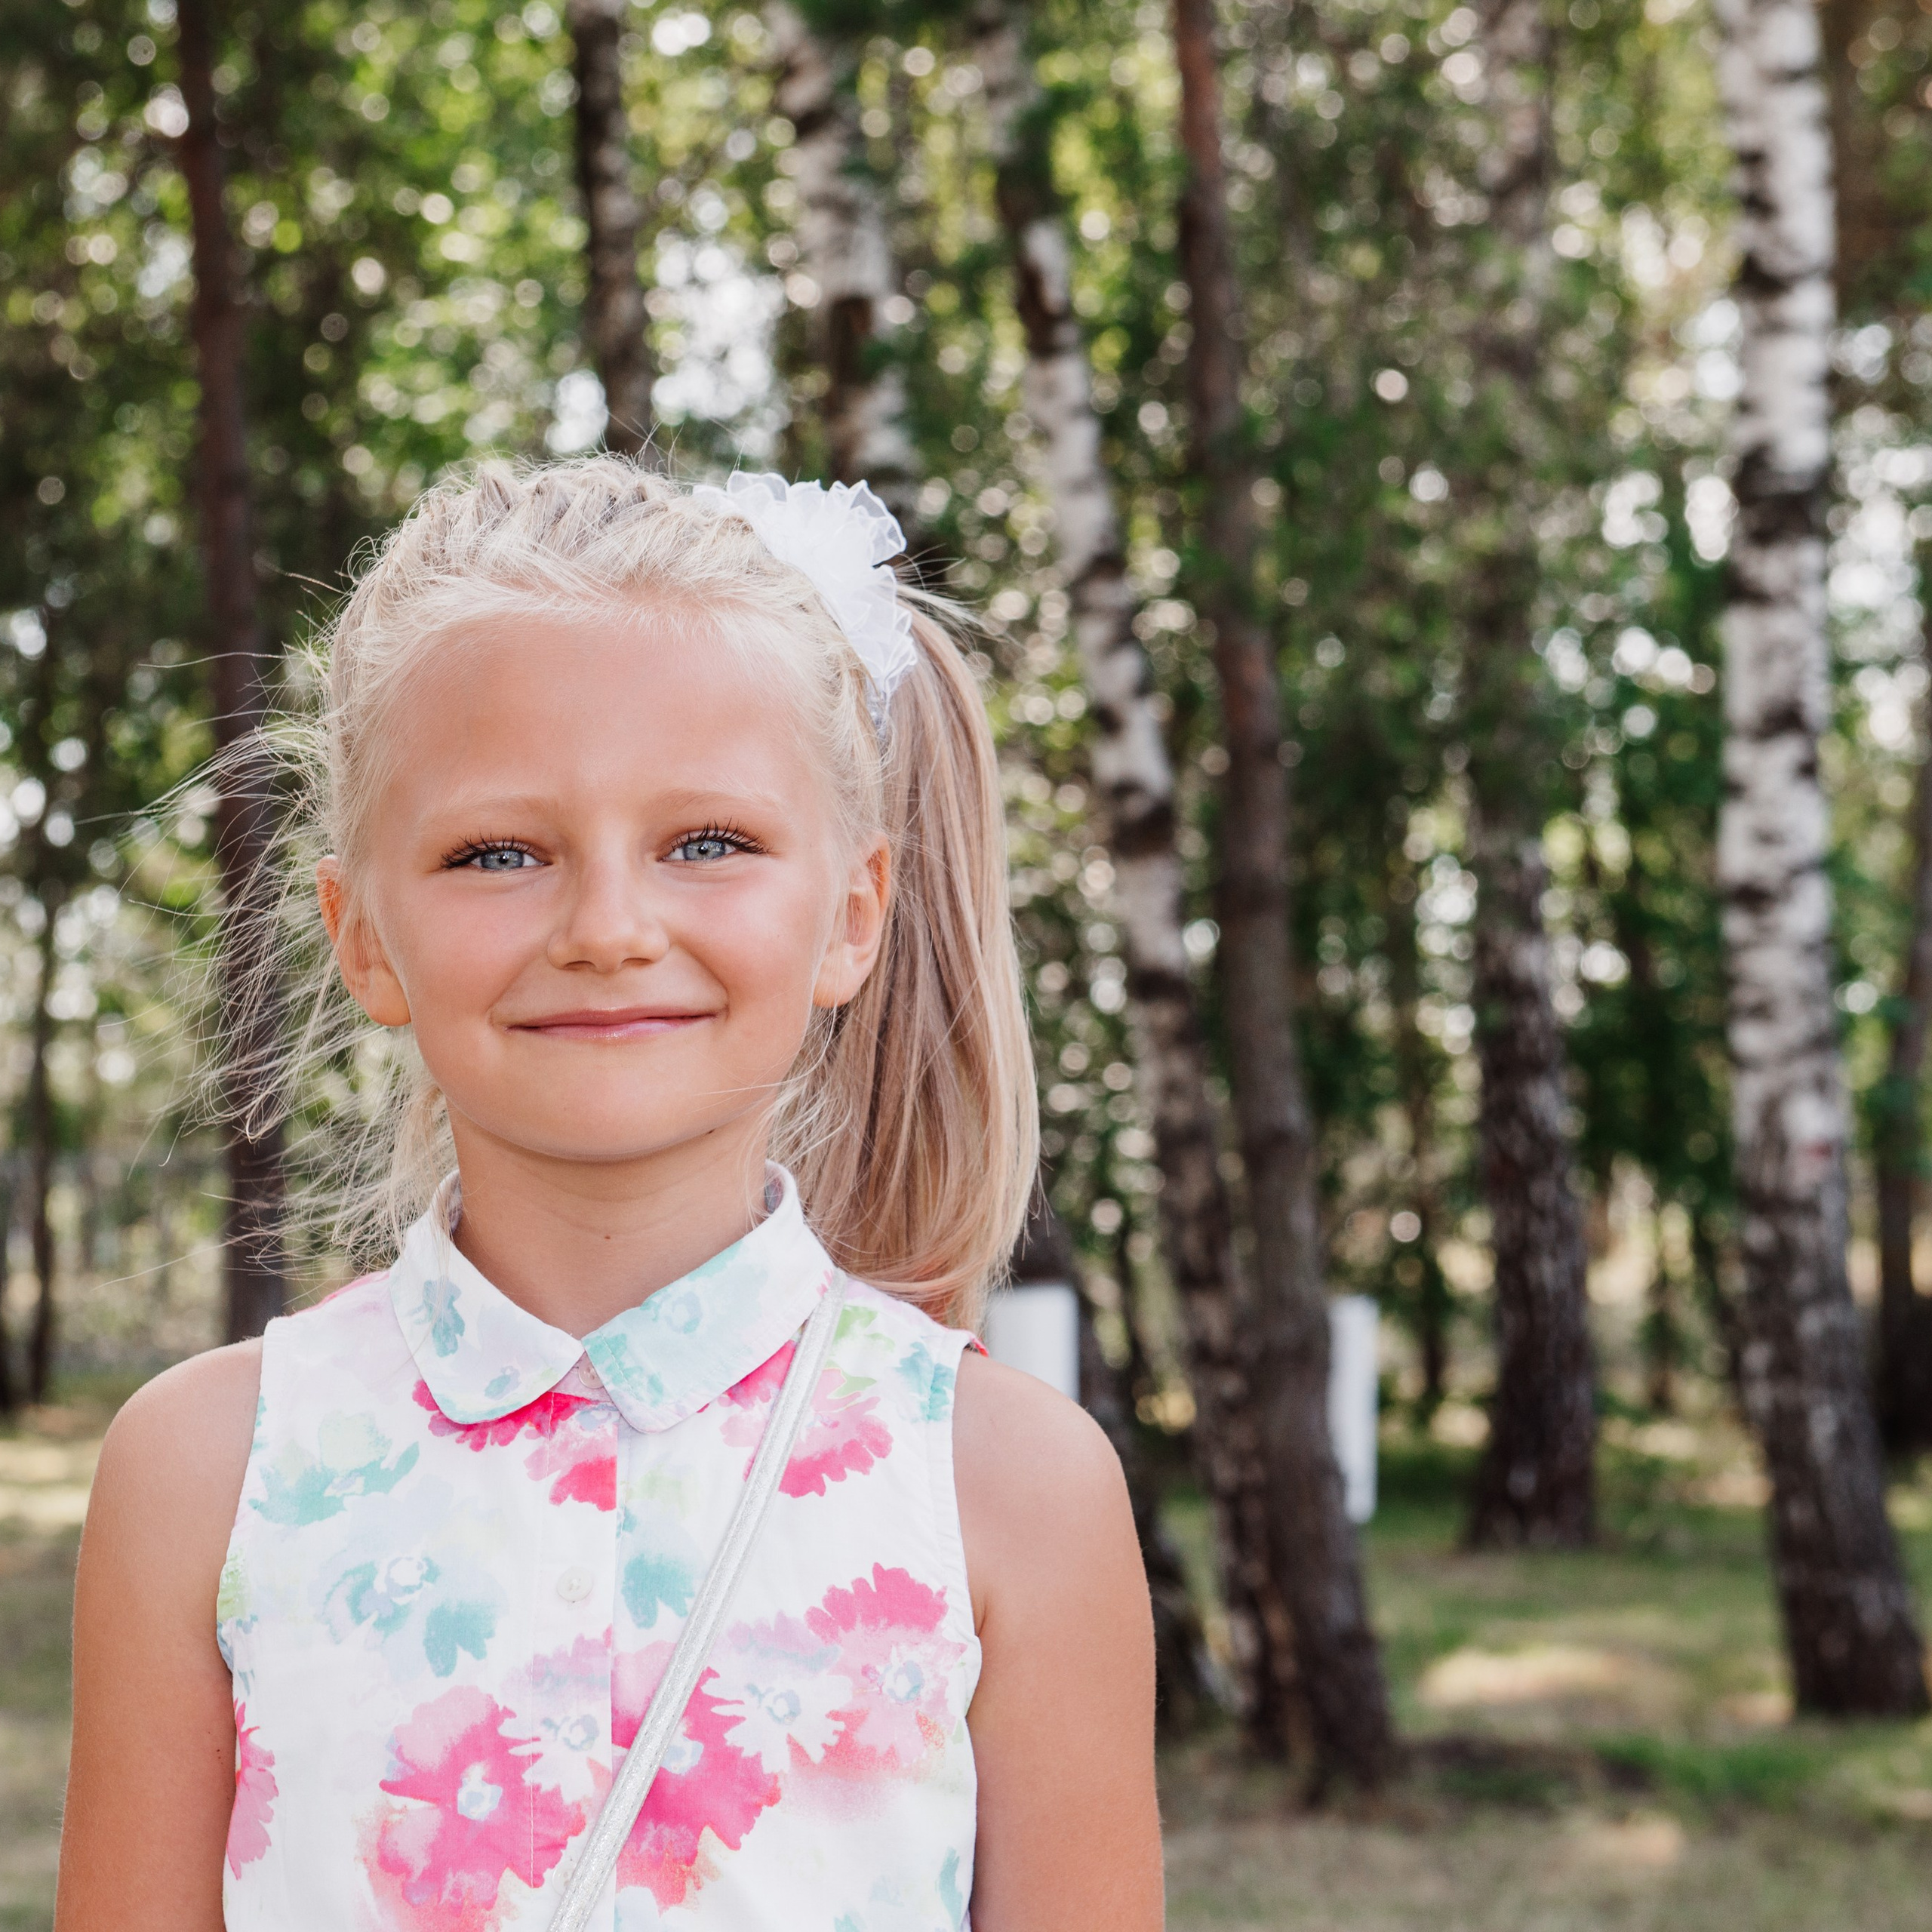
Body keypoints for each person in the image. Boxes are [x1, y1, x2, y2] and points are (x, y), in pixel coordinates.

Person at [55, 462, 1162, 1930]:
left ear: (849, 913)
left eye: (706, 841)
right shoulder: (202, 1473)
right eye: (495, 852)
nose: (607, 926)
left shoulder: (1009, 1489)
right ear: (362, 935)